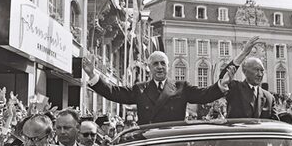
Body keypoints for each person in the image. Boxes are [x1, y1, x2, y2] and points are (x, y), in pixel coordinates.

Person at [83, 51, 235, 125]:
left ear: (168, 67)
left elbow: (205, 94)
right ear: (149, 68)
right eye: (155, 64)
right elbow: (114, 93)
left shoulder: (181, 88)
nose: (160, 67)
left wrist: (221, 85)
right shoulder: (139, 89)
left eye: (163, 63)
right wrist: (92, 75)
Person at [219, 36, 277, 119]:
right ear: (244, 71)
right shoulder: (234, 88)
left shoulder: (269, 98)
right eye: (256, 70)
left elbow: (275, 125)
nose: (260, 74)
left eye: (262, 70)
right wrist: (243, 53)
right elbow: (223, 77)